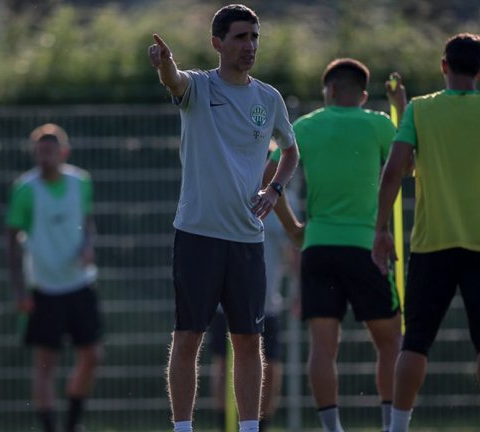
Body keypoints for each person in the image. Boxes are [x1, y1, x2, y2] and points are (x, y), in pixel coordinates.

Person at [371, 33, 480, 432]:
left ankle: (398, 427)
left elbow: (394, 171)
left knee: (416, 341)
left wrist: (381, 230)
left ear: (443, 66)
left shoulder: (420, 109)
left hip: (433, 242)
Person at [147, 4, 300, 432]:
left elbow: (290, 150)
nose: (250, 45)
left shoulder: (268, 98)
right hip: (197, 234)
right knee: (188, 337)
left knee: (249, 341)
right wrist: (166, 64)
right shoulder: (199, 87)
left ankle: (249, 428)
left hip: (247, 240)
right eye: (240, 37)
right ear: (217, 43)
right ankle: (183, 428)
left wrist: (275, 189)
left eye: (254, 37)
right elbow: (174, 81)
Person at [267, 58, 406, 432]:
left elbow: (268, 175)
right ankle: (391, 425)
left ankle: (332, 429)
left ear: (328, 91)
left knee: (323, 347)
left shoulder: (306, 126)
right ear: (363, 95)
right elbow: (407, 164)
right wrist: (402, 108)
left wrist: (294, 229)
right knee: (391, 342)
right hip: (366, 248)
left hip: (318, 248)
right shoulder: (379, 123)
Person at [6, 123, 103, 432]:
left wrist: (88, 246)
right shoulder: (25, 189)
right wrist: (20, 290)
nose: (44, 157)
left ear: (64, 152)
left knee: (92, 355)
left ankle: (72, 423)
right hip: (44, 288)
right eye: (39, 151)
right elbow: (12, 241)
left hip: (79, 283)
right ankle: (49, 426)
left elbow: (87, 222)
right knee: (45, 364)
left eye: (49, 151)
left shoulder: (81, 182)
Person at [209, 145, 302, 432]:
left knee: (269, 366)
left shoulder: (286, 200)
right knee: (223, 365)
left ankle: (262, 426)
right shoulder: (227, 193)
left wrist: (298, 290)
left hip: (266, 302)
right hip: (225, 301)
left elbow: (294, 249)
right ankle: (224, 425)